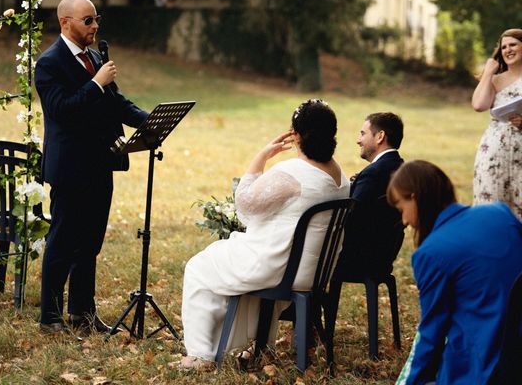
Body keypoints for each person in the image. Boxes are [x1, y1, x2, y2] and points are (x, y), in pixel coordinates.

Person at [180, 99, 350, 369]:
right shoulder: (341, 176)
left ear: (295, 136)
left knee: (199, 267)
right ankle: (260, 348)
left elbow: (246, 207)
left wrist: (260, 158)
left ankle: (201, 354)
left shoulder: (292, 173)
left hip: (279, 266)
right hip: (313, 271)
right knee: (229, 265)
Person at [34, 0, 149, 333]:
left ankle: (81, 312)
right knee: (62, 242)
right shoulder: (49, 63)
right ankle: (50, 317)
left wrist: (149, 121)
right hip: (70, 167)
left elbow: (116, 102)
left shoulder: (95, 56)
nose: (95, 25)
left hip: (102, 162)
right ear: (65, 23)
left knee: (90, 242)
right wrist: (96, 83)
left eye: (96, 19)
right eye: (88, 20)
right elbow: (62, 109)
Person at [388, 160, 522, 385]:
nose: (405, 221)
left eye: (402, 209)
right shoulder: (500, 214)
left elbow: (431, 334)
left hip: (483, 366)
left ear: (415, 197)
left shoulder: (431, 253)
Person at [333, 112, 405, 280]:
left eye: (363, 133)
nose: (359, 140)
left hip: (358, 259)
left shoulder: (374, 173)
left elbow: (351, 218)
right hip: (382, 258)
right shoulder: (400, 168)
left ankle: (305, 305)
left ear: (380, 136)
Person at [472, 28, 522, 219]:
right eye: (504, 47)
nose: (508, 50)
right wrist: (488, 72)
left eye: (513, 45)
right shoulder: (495, 80)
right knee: (491, 203)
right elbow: (479, 105)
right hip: (495, 150)